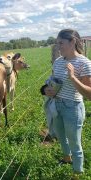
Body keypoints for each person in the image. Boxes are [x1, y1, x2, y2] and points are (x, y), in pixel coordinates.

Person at [44, 29, 91, 175]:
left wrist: (72, 77)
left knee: (75, 143)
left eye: (61, 43)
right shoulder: (58, 62)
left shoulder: (84, 63)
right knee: (61, 137)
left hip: (73, 108)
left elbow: (89, 94)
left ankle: (77, 173)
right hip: (56, 105)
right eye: (57, 43)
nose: (58, 46)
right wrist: (45, 89)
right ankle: (66, 159)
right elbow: (51, 82)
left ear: (72, 42)